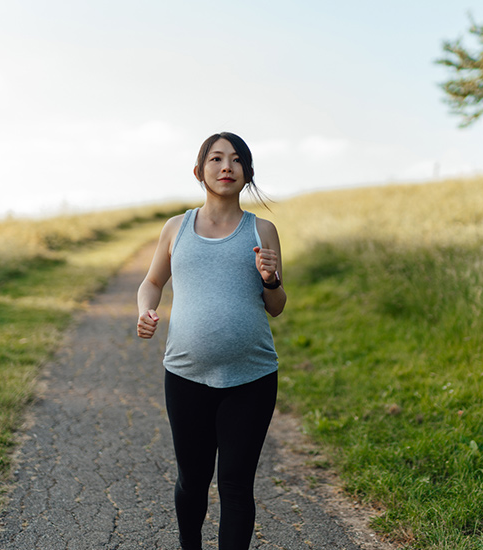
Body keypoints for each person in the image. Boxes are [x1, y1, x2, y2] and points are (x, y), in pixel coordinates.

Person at [136, 132, 286, 550]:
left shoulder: (263, 230)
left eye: (237, 160)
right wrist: (145, 311)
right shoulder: (175, 228)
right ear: (199, 171)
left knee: (236, 487)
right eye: (216, 159)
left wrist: (271, 279)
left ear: (246, 173)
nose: (227, 167)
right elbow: (151, 283)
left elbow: (276, 305)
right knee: (193, 480)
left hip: (252, 379)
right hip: (185, 377)